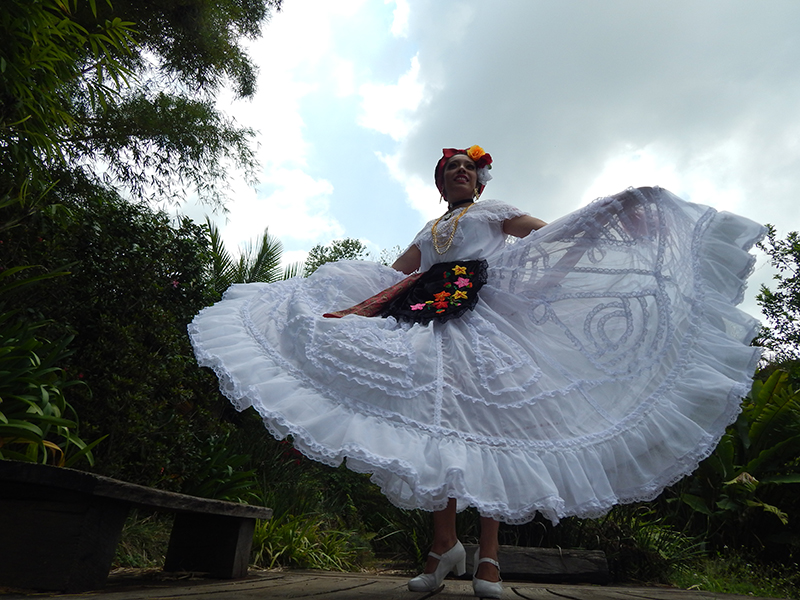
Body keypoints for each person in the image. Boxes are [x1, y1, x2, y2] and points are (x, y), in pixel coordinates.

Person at [189, 145, 764, 599]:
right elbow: (394, 276)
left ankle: (487, 551)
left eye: (466, 167)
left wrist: (616, 212)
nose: (457, 173)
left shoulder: (494, 211)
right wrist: (341, 302)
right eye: (448, 170)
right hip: (427, 315)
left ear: (480, 179)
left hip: (486, 316)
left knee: (489, 421)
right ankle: (444, 545)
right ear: (439, 184)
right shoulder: (425, 231)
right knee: (440, 422)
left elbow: (552, 234)